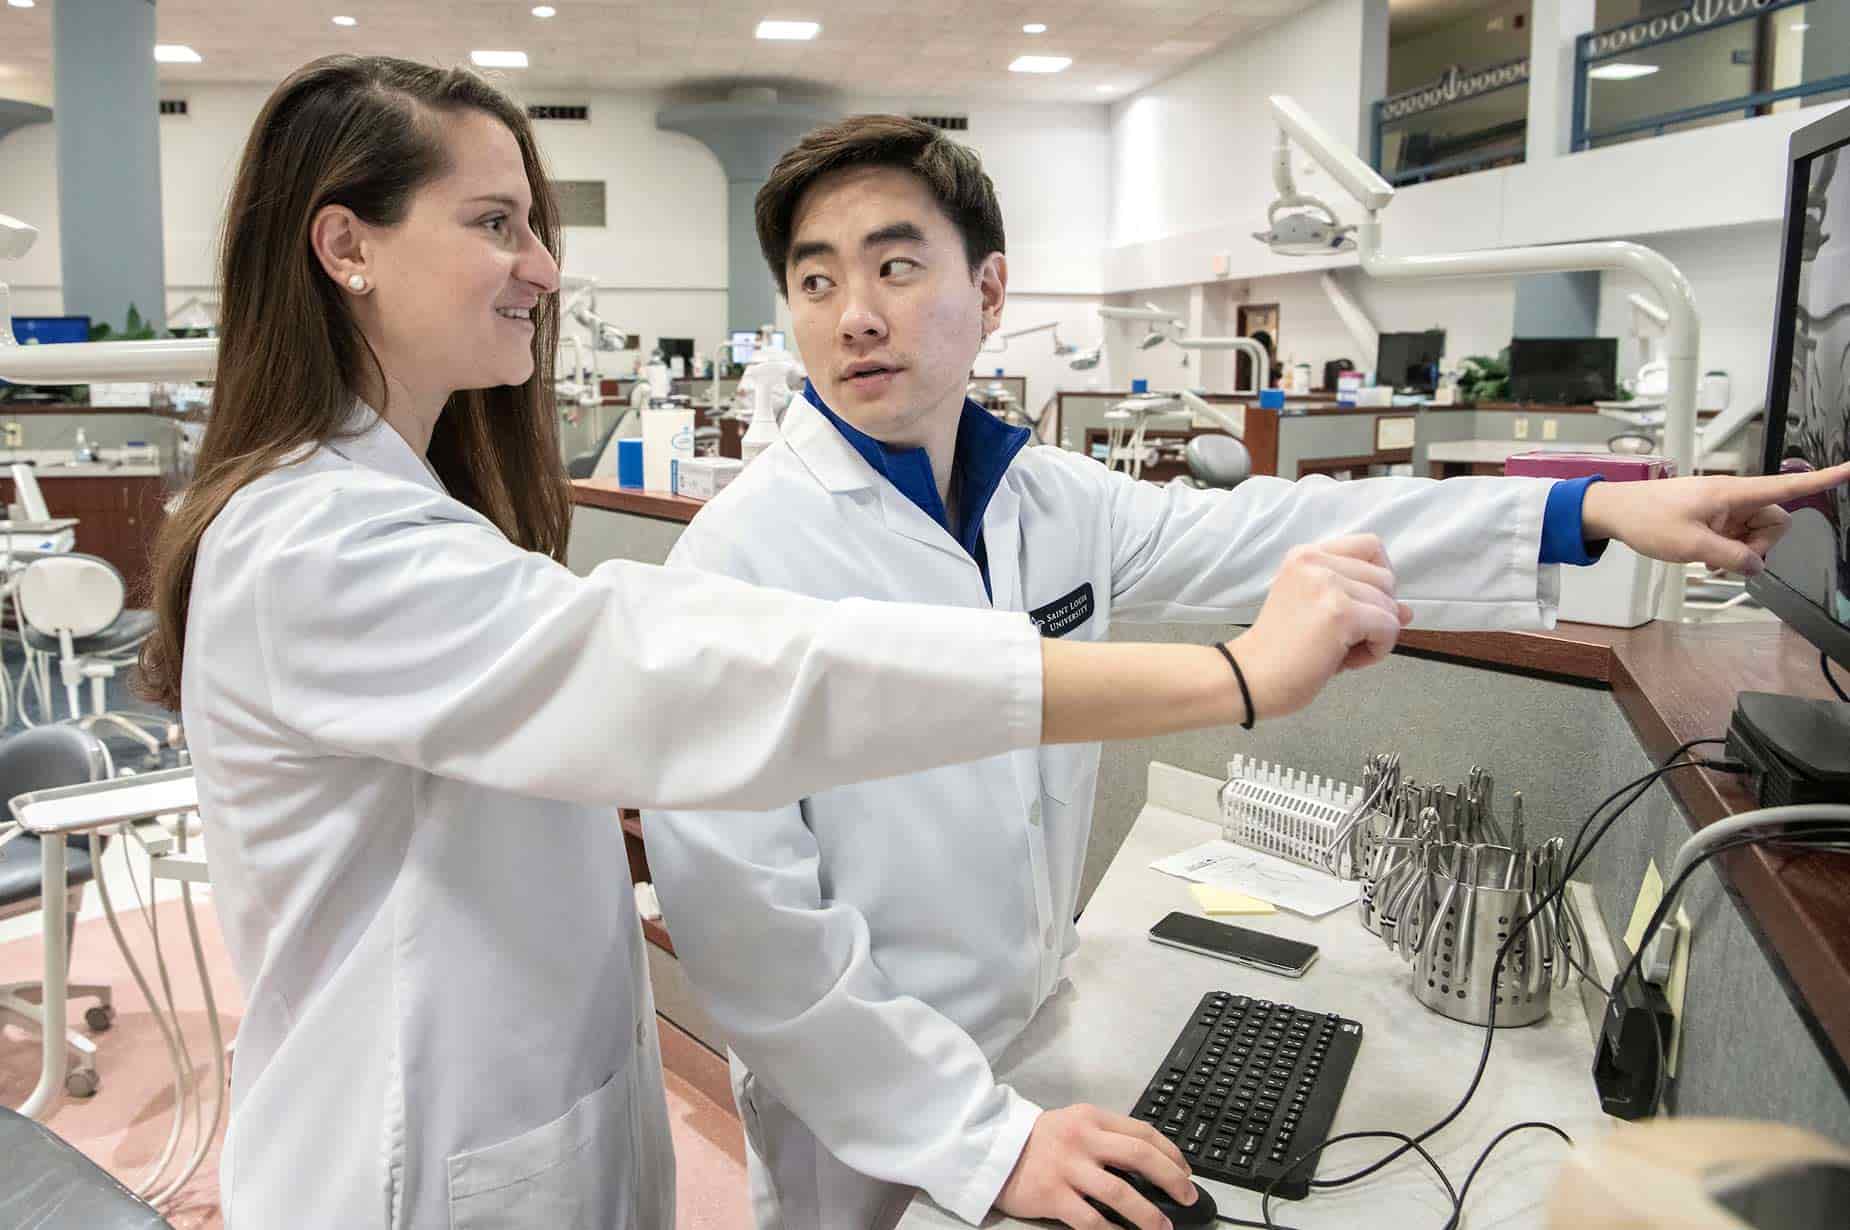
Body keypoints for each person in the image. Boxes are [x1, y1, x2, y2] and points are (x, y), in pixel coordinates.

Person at [144, 60, 1377, 1228]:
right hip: (407, 1164)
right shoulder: (313, 544)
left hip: (538, 1129)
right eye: (495, 222)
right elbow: (720, 682)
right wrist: (1226, 678)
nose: (541, 266)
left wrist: (1568, 512)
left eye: (534, 226)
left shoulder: (419, 511)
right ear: (345, 244)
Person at [642, 114, 1850, 1230]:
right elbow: (751, 936)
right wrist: (975, 1137)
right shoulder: (740, 555)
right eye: (815, 278)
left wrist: (1588, 515)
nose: (853, 312)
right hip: (867, 1103)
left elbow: (1274, 529)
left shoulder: (1044, 497)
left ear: (988, 287)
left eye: (896, 265)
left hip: (1035, 1034)